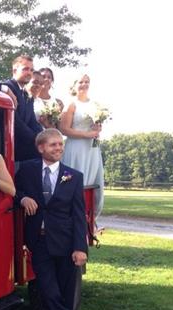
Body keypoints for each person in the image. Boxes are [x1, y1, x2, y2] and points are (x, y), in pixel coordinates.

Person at [14, 128, 88, 310]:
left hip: (67, 245)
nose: (58, 148)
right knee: (50, 296)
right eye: (53, 145)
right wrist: (22, 198)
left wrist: (80, 248)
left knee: (65, 299)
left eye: (60, 144)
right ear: (41, 148)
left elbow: (79, 215)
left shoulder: (73, 176)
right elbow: (13, 191)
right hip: (40, 242)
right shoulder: (26, 169)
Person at [59, 73, 104, 219]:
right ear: (74, 85)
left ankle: (89, 219)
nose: (84, 84)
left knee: (91, 180)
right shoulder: (71, 104)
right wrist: (87, 134)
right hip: (76, 147)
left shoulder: (95, 105)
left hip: (92, 148)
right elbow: (64, 129)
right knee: (75, 180)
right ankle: (71, 216)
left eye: (87, 81)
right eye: (81, 82)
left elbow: (96, 127)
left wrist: (97, 130)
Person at [4, 55, 43, 164]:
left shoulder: (26, 94)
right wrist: (35, 138)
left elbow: (33, 122)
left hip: (25, 144)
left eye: (31, 70)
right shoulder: (8, 88)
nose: (29, 73)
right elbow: (15, 122)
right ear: (15, 70)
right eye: (25, 69)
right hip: (11, 146)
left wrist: (42, 137)